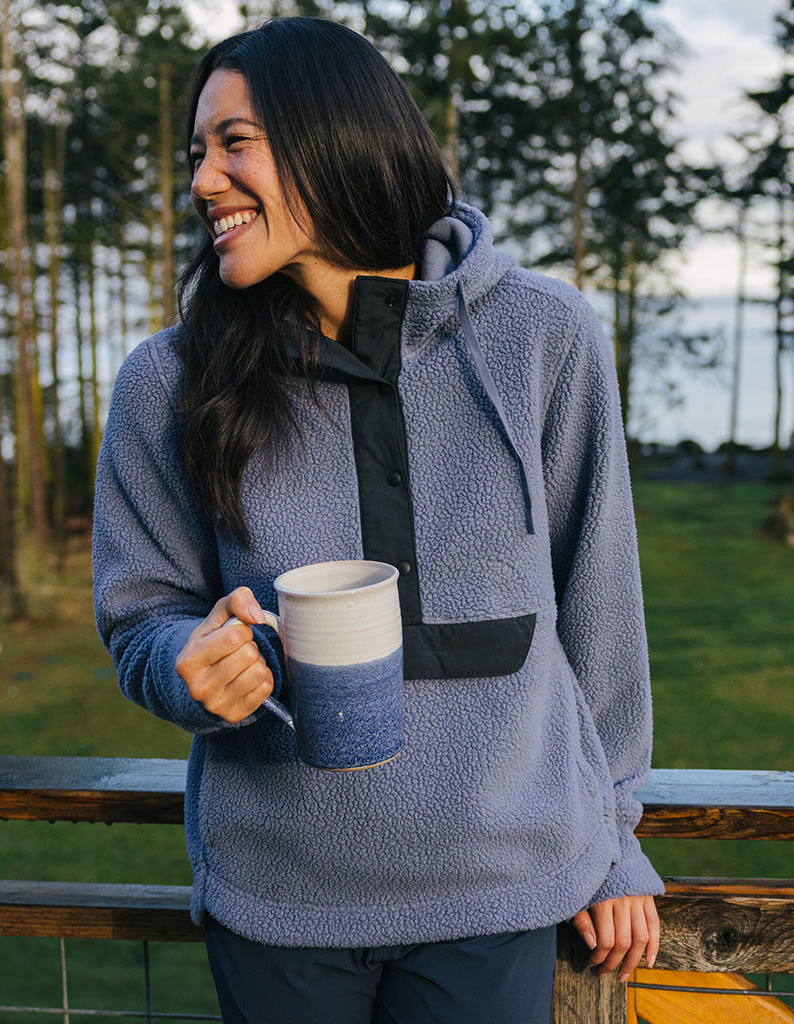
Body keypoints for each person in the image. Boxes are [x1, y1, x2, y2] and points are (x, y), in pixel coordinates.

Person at [93, 16, 662, 1023]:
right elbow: (140, 612)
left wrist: (614, 836)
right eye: (196, 154)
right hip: (278, 892)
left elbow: (600, 603)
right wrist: (186, 661)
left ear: (334, 134)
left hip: (501, 882)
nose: (203, 182)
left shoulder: (544, 335)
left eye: (233, 143)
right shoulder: (167, 380)